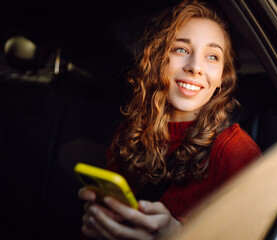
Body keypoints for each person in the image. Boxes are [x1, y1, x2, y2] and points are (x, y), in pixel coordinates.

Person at [78, 0, 261, 239]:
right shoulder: (129, 131)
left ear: (221, 80)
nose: (195, 67)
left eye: (212, 57)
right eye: (182, 49)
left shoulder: (237, 152)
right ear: (157, 60)